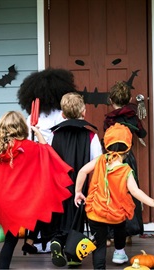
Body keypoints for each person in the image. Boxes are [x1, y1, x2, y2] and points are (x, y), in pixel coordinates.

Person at [0, 111, 74, 269]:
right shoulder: (31, 147)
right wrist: (37, 132)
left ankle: (6, 265)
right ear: (22, 127)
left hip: (6, 204)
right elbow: (47, 152)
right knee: (41, 214)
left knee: (11, 240)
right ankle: (46, 240)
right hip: (24, 202)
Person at [74, 123, 154, 269]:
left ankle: (99, 268)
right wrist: (153, 202)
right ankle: (119, 251)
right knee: (120, 228)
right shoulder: (126, 170)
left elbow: (82, 171)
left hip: (96, 212)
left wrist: (78, 192)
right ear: (128, 148)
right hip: (116, 214)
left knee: (100, 245)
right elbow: (135, 192)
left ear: (107, 144)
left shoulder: (100, 160)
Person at [16, 67, 76, 252]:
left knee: (38, 203)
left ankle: (36, 240)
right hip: (56, 163)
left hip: (36, 165)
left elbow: (25, 141)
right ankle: (49, 239)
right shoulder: (60, 115)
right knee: (54, 203)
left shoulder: (31, 118)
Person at [48, 92, 102, 267]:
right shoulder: (91, 136)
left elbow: (49, 158)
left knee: (60, 216)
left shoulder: (54, 135)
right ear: (84, 112)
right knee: (77, 215)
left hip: (59, 184)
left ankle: (57, 240)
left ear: (62, 114)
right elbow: (98, 160)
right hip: (82, 184)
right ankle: (73, 255)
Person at [104, 80, 148, 245]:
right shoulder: (132, 116)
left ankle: (110, 234)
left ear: (110, 100)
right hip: (127, 157)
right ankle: (129, 233)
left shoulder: (109, 119)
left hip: (112, 159)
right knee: (130, 193)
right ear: (129, 98)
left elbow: (107, 139)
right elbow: (142, 133)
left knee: (112, 194)